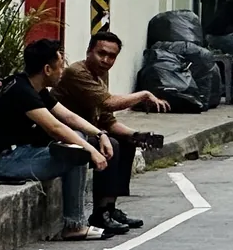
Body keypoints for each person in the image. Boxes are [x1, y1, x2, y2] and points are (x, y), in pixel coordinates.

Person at [0, 39, 112, 243]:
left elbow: (68, 117)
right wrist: (91, 152)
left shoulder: (34, 87)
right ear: (47, 69)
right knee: (77, 154)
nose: (63, 70)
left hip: (23, 152)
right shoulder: (22, 91)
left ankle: (78, 222)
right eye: (60, 66)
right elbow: (55, 127)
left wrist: (100, 134)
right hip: (5, 162)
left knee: (78, 139)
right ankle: (74, 225)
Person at [58, 31, 169, 233]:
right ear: (89, 51)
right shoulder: (77, 73)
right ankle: (100, 214)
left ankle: (110, 207)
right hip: (68, 134)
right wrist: (143, 95)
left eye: (112, 56)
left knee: (125, 141)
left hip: (88, 131)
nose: (106, 60)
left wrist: (136, 135)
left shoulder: (101, 75)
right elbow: (107, 102)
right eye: (101, 53)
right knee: (112, 145)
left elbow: (107, 119)